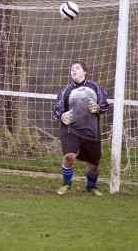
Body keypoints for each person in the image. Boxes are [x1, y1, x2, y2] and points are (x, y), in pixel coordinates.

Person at [53, 60, 109, 196]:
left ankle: (91, 186)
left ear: (85, 72)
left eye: (77, 68)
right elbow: (56, 110)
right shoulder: (66, 90)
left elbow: (105, 105)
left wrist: (98, 108)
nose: (73, 70)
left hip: (91, 130)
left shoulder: (95, 86)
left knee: (93, 166)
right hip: (70, 129)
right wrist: (61, 117)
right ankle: (66, 183)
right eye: (72, 68)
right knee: (69, 157)